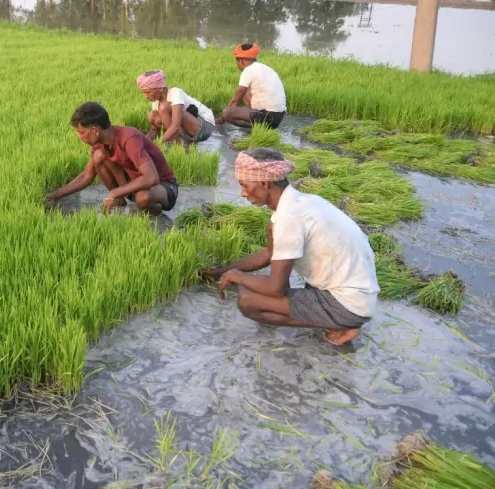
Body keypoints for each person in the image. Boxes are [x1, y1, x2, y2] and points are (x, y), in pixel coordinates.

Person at [199, 148, 379, 345]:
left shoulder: (289, 217)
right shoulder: (302, 202)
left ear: (264, 183)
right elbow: (270, 254)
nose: (242, 193)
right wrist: (221, 272)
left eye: (244, 185)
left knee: (247, 301)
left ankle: (342, 325)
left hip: (349, 305)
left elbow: (274, 288)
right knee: (267, 266)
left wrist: (237, 276)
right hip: (355, 292)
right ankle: (333, 317)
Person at [44, 101, 179, 216]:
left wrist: (114, 192)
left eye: (81, 132)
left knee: (143, 197)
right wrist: (54, 195)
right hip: (134, 185)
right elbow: (86, 176)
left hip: (163, 186)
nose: (79, 137)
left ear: (95, 130)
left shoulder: (129, 138)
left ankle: (152, 211)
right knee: (98, 157)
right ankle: (121, 200)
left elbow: (151, 178)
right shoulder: (99, 145)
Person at [216, 43, 287, 130]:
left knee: (228, 112)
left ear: (241, 60)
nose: (237, 65)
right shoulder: (266, 68)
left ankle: (259, 128)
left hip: (267, 115)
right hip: (278, 117)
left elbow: (235, 101)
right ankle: (260, 128)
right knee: (245, 93)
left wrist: (220, 120)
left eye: (236, 62)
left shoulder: (248, 70)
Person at [137, 69, 215, 148]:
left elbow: (175, 126)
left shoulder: (175, 93)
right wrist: (141, 143)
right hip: (188, 126)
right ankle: (180, 146)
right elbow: (154, 129)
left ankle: (178, 147)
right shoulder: (156, 103)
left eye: (148, 92)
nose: (146, 96)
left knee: (164, 108)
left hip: (204, 126)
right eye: (144, 93)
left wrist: (157, 145)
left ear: (160, 88)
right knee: (153, 116)